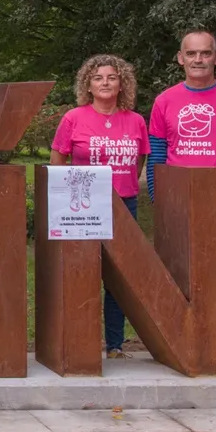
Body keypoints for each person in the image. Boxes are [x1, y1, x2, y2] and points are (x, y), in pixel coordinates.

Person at [147, 31, 216, 377]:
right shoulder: (164, 101)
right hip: (181, 207)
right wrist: (160, 199)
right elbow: (157, 157)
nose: (199, 59)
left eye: (206, 53)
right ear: (180, 58)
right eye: (192, 53)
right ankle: (183, 347)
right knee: (180, 279)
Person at [50, 55, 149, 359]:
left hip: (124, 204)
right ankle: (79, 343)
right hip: (83, 209)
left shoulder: (135, 120)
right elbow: (58, 161)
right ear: (88, 86)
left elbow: (140, 159)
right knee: (82, 274)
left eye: (111, 77)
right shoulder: (73, 118)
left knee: (118, 279)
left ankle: (115, 345)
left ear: (122, 84)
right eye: (98, 78)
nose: (105, 82)